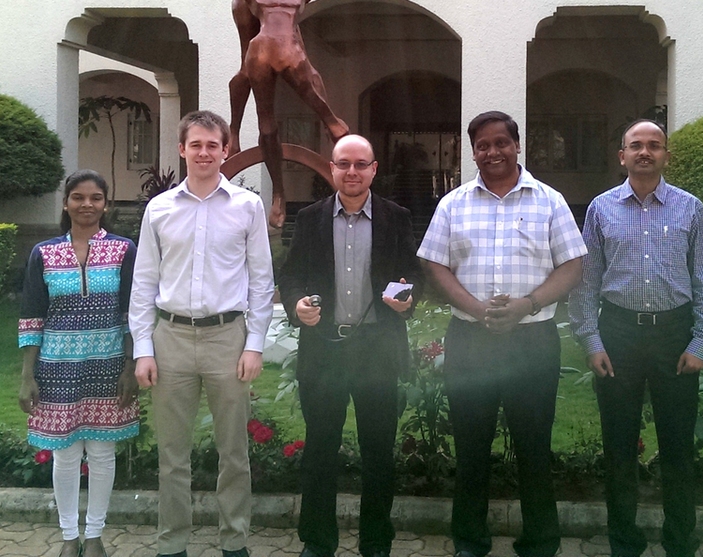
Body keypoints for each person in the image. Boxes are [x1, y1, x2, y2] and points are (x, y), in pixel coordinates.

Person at [417, 111, 586, 557]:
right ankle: (470, 542)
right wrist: (474, 307)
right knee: (471, 447)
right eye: (482, 146)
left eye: (500, 143)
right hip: (470, 341)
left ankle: (541, 541)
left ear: (517, 145)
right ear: (473, 151)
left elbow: (573, 265)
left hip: (532, 341)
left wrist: (526, 306)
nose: (492, 152)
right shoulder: (453, 204)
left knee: (534, 447)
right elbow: (433, 263)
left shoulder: (549, 201)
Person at [569, 120, 703, 557]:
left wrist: (701, 343)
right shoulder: (600, 209)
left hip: (675, 336)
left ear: (666, 156)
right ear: (622, 156)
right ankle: (625, 543)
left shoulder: (691, 209)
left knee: (677, 447)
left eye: (654, 145)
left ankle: (680, 542)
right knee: (619, 448)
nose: (645, 152)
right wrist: (591, 341)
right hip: (618, 335)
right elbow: (586, 281)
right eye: (636, 145)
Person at [129, 110, 275, 557]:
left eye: (213, 145)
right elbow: (144, 282)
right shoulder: (160, 208)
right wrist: (143, 348)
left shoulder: (247, 207)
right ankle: (172, 544)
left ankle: (234, 542)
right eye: (196, 144)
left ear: (225, 150)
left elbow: (261, 282)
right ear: (182, 148)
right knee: (173, 456)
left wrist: (254, 344)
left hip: (227, 339)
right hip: (170, 339)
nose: (204, 152)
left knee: (234, 453)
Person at [278, 134, 423, 557]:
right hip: (324, 349)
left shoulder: (396, 217)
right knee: (320, 450)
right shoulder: (310, 218)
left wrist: (407, 299)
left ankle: (376, 542)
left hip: (378, 350)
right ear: (332, 168)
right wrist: (295, 304)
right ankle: (317, 542)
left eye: (362, 164)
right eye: (344, 164)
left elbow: (412, 272)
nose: (353, 172)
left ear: (374, 169)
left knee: (379, 452)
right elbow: (290, 277)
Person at [18, 169, 140, 557]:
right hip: (56, 368)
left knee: (102, 453)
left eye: (95, 198)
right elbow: (32, 315)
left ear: (106, 204)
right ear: (66, 202)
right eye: (78, 197)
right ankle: (69, 536)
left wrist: (129, 366)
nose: (87, 204)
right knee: (65, 455)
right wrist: (27, 375)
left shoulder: (123, 250)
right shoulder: (45, 253)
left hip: (108, 368)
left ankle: (95, 536)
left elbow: (134, 314)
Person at [229, 0, 350, 228]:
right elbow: (244, 72)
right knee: (265, 122)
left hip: (284, 47)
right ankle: (278, 192)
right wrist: (234, 132)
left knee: (310, 82)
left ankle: (334, 129)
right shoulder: (245, 3)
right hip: (263, 51)